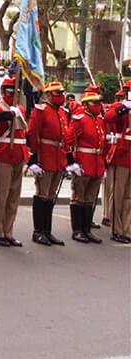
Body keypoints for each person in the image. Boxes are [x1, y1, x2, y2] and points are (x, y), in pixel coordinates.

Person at [26, 81, 69, 246]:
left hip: (58, 157)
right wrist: (33, 159)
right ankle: (38, 231)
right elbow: (32, 133)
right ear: (49, 95)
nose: (61, 97)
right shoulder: (41, 110)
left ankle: (47, 231)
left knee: (51, 195)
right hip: (45, 156)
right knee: (43, 194)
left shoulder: (62, 112)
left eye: (62, 93)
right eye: (58, 94)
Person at [0, 76, 27, 247]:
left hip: (18, 154)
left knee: (13, 198)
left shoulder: (20, 109)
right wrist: (9, 113)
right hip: (5, 155)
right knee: (2, 196)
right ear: (2, 92)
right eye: (10, 92)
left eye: (15, 92)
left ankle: (8, 231)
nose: (13, 95)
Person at [65, 89, 107, 244]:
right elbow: (68, 141)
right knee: (79, 197)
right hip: (83, 163)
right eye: (94, 102)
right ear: (85, 105)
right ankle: (77, 230)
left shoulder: (100, 120)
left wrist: (104, 164)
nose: (98, 105)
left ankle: (87, 229)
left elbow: (103, 143)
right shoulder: (79, 119)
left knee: (90, 198)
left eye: (99, 102)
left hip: (97, 164)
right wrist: (71, 163)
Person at [103, 81, 131, 243]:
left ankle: (127, 229)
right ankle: (117, 229)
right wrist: (124, 107)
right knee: (119, 195)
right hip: (122, 154)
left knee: (129, 196)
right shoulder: (122, 107)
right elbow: (108, 117)